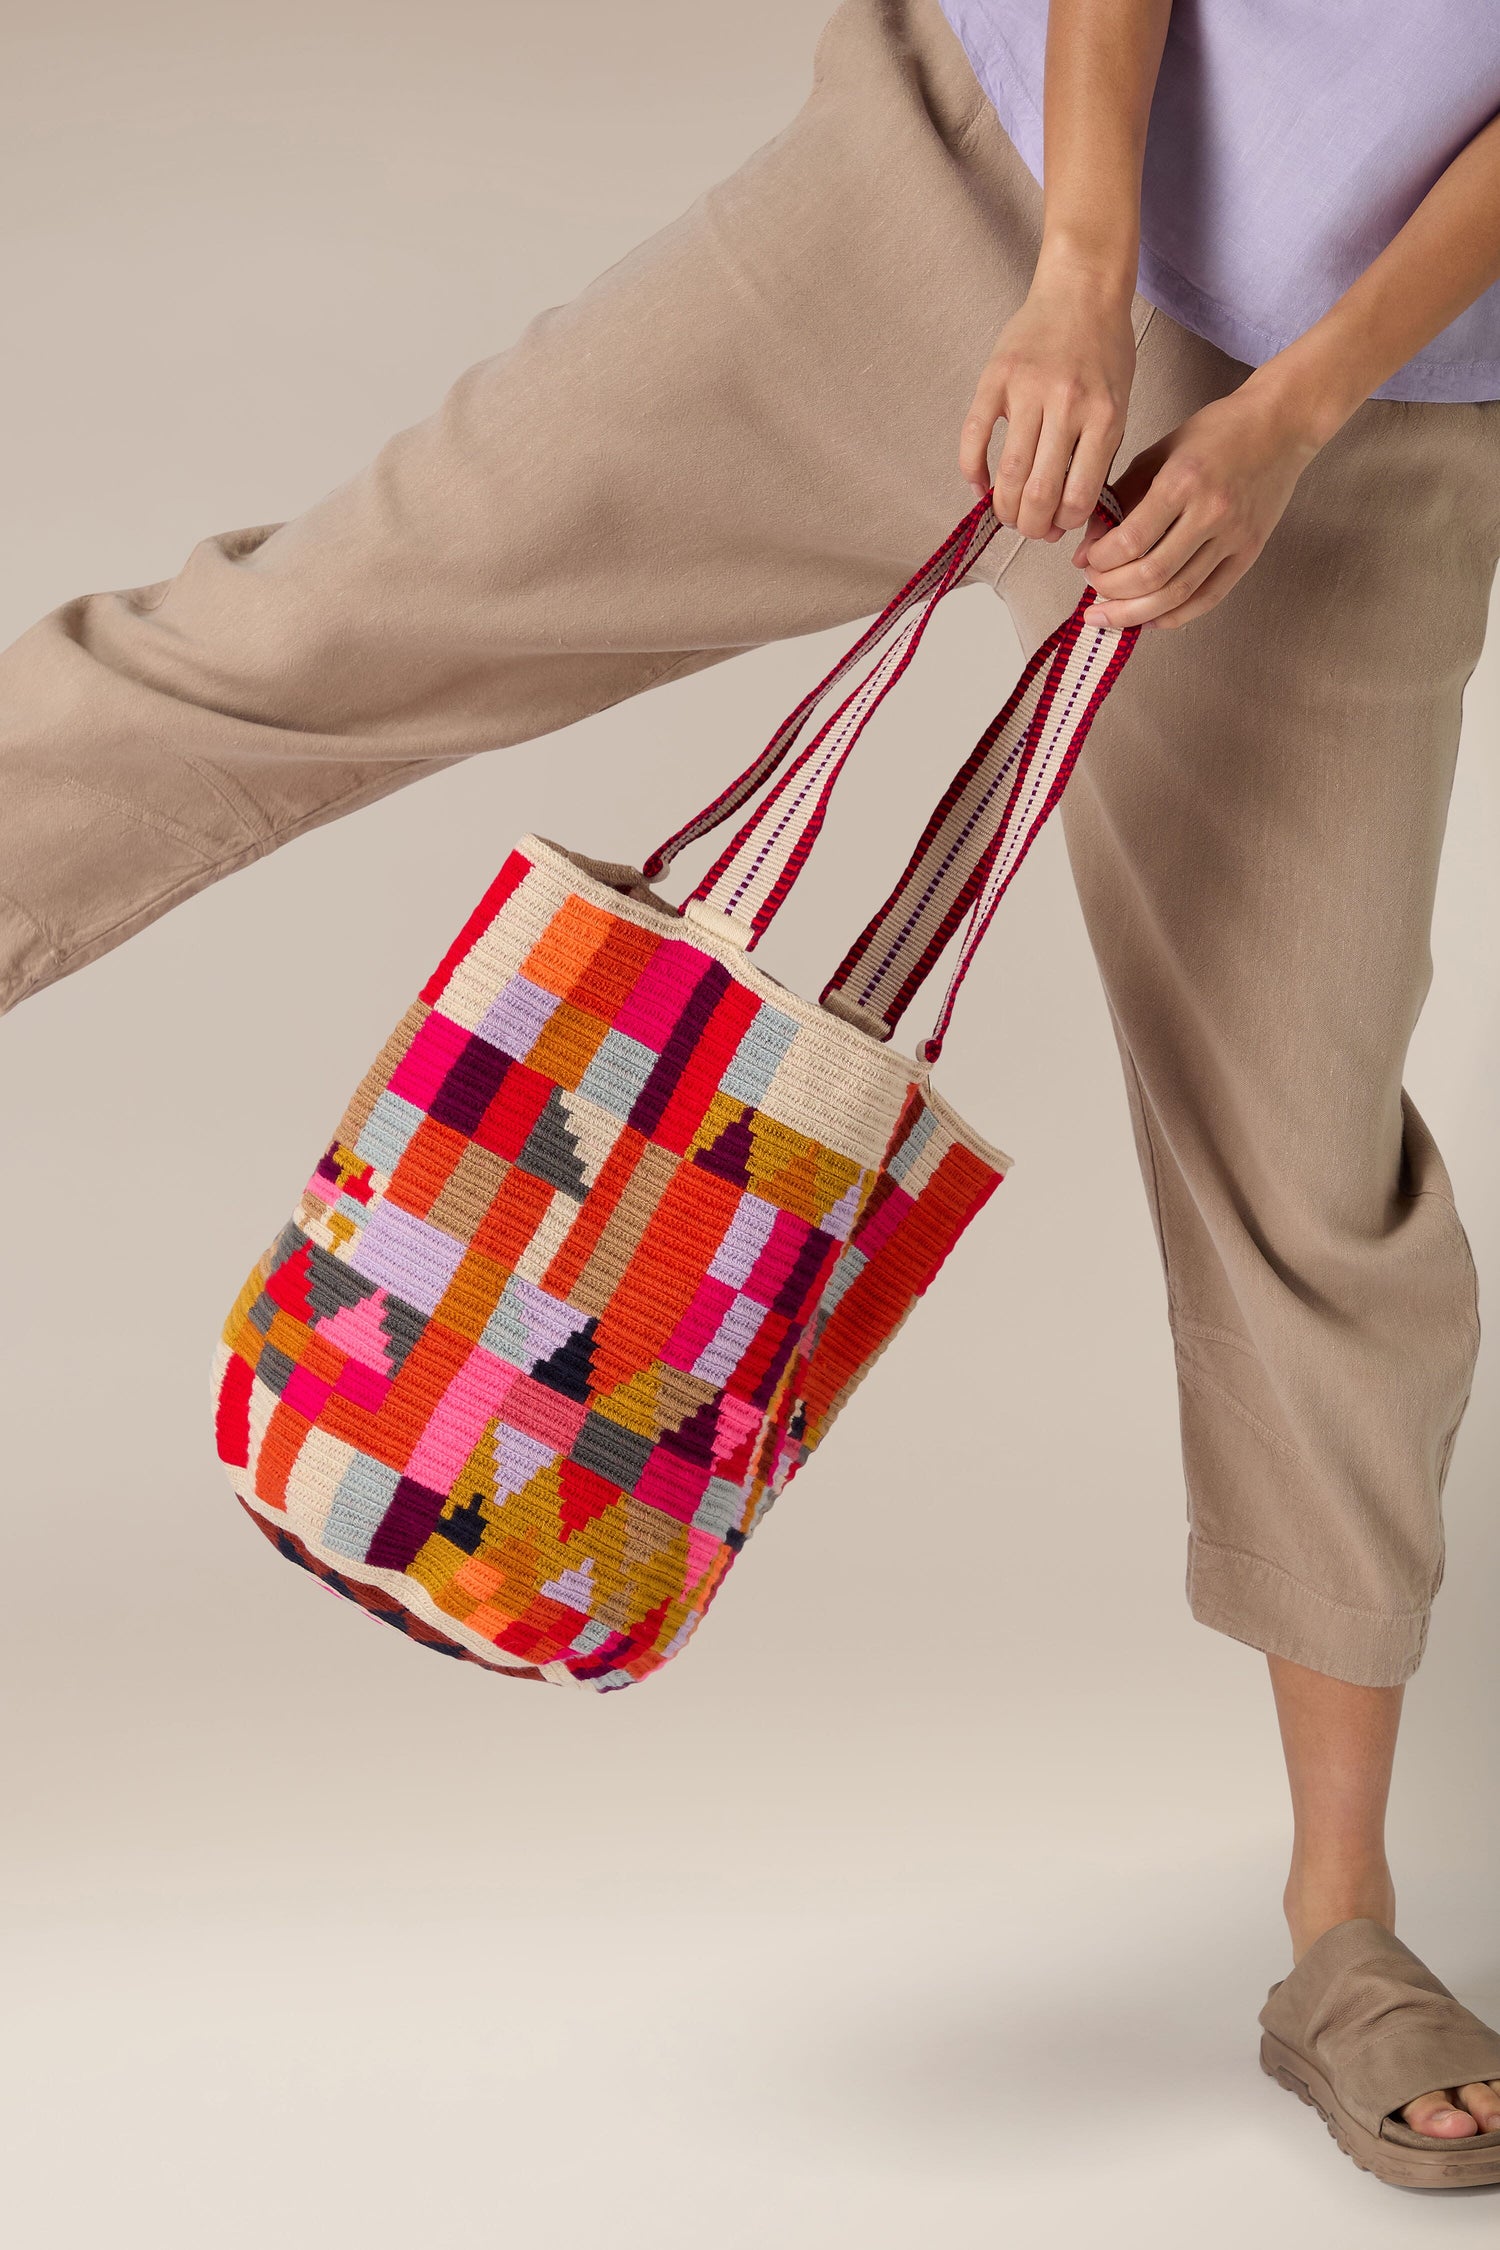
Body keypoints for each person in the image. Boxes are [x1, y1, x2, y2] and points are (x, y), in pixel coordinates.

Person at [3, 0, 1500, 2186]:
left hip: (1364, 444)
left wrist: (1287, 418)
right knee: (323, 631)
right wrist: (1078, 269)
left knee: (1309, 1163)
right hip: (959, 203)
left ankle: (1342, 1928)